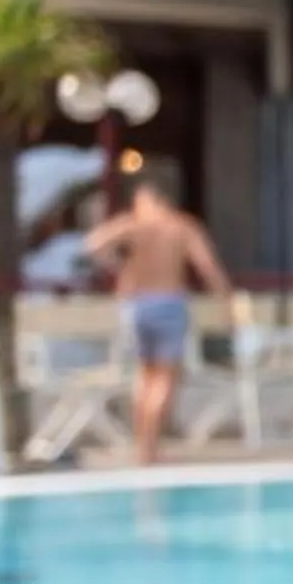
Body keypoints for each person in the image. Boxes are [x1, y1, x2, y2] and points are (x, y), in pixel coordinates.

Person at [82, 174, 233, 466]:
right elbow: (208, 266)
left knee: (145, 374)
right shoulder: (180, 226)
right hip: (169, 302)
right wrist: (226, 304)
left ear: (144, 200)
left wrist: (118, 263)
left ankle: (144, 445)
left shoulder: (132, 226)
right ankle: (151, 444)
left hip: (135, 304)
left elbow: (93, 244)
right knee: (165, 376)